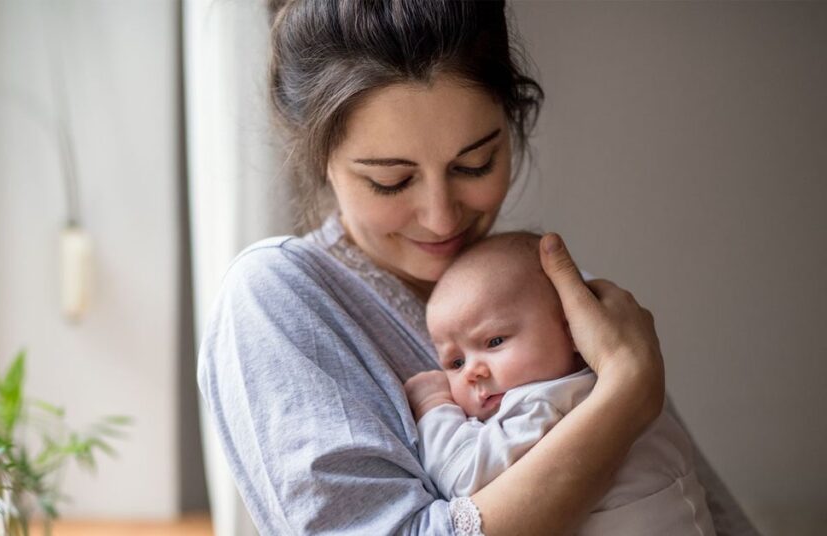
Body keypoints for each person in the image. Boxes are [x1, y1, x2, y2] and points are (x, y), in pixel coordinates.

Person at [198, 1, 758, 534]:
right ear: (317, 157)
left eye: (475, 163)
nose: (442, 219)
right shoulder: (275, 298)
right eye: (391, 180)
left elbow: (692, 499)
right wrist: (626, 394)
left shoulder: (535, 285)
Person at [405, 232, 715, 534]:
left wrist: (434, 407)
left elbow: (464, 477)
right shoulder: (600, 382)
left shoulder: (548, 403)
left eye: (494, 341)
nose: (472, 371)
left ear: (572, 330)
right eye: (455, 363)